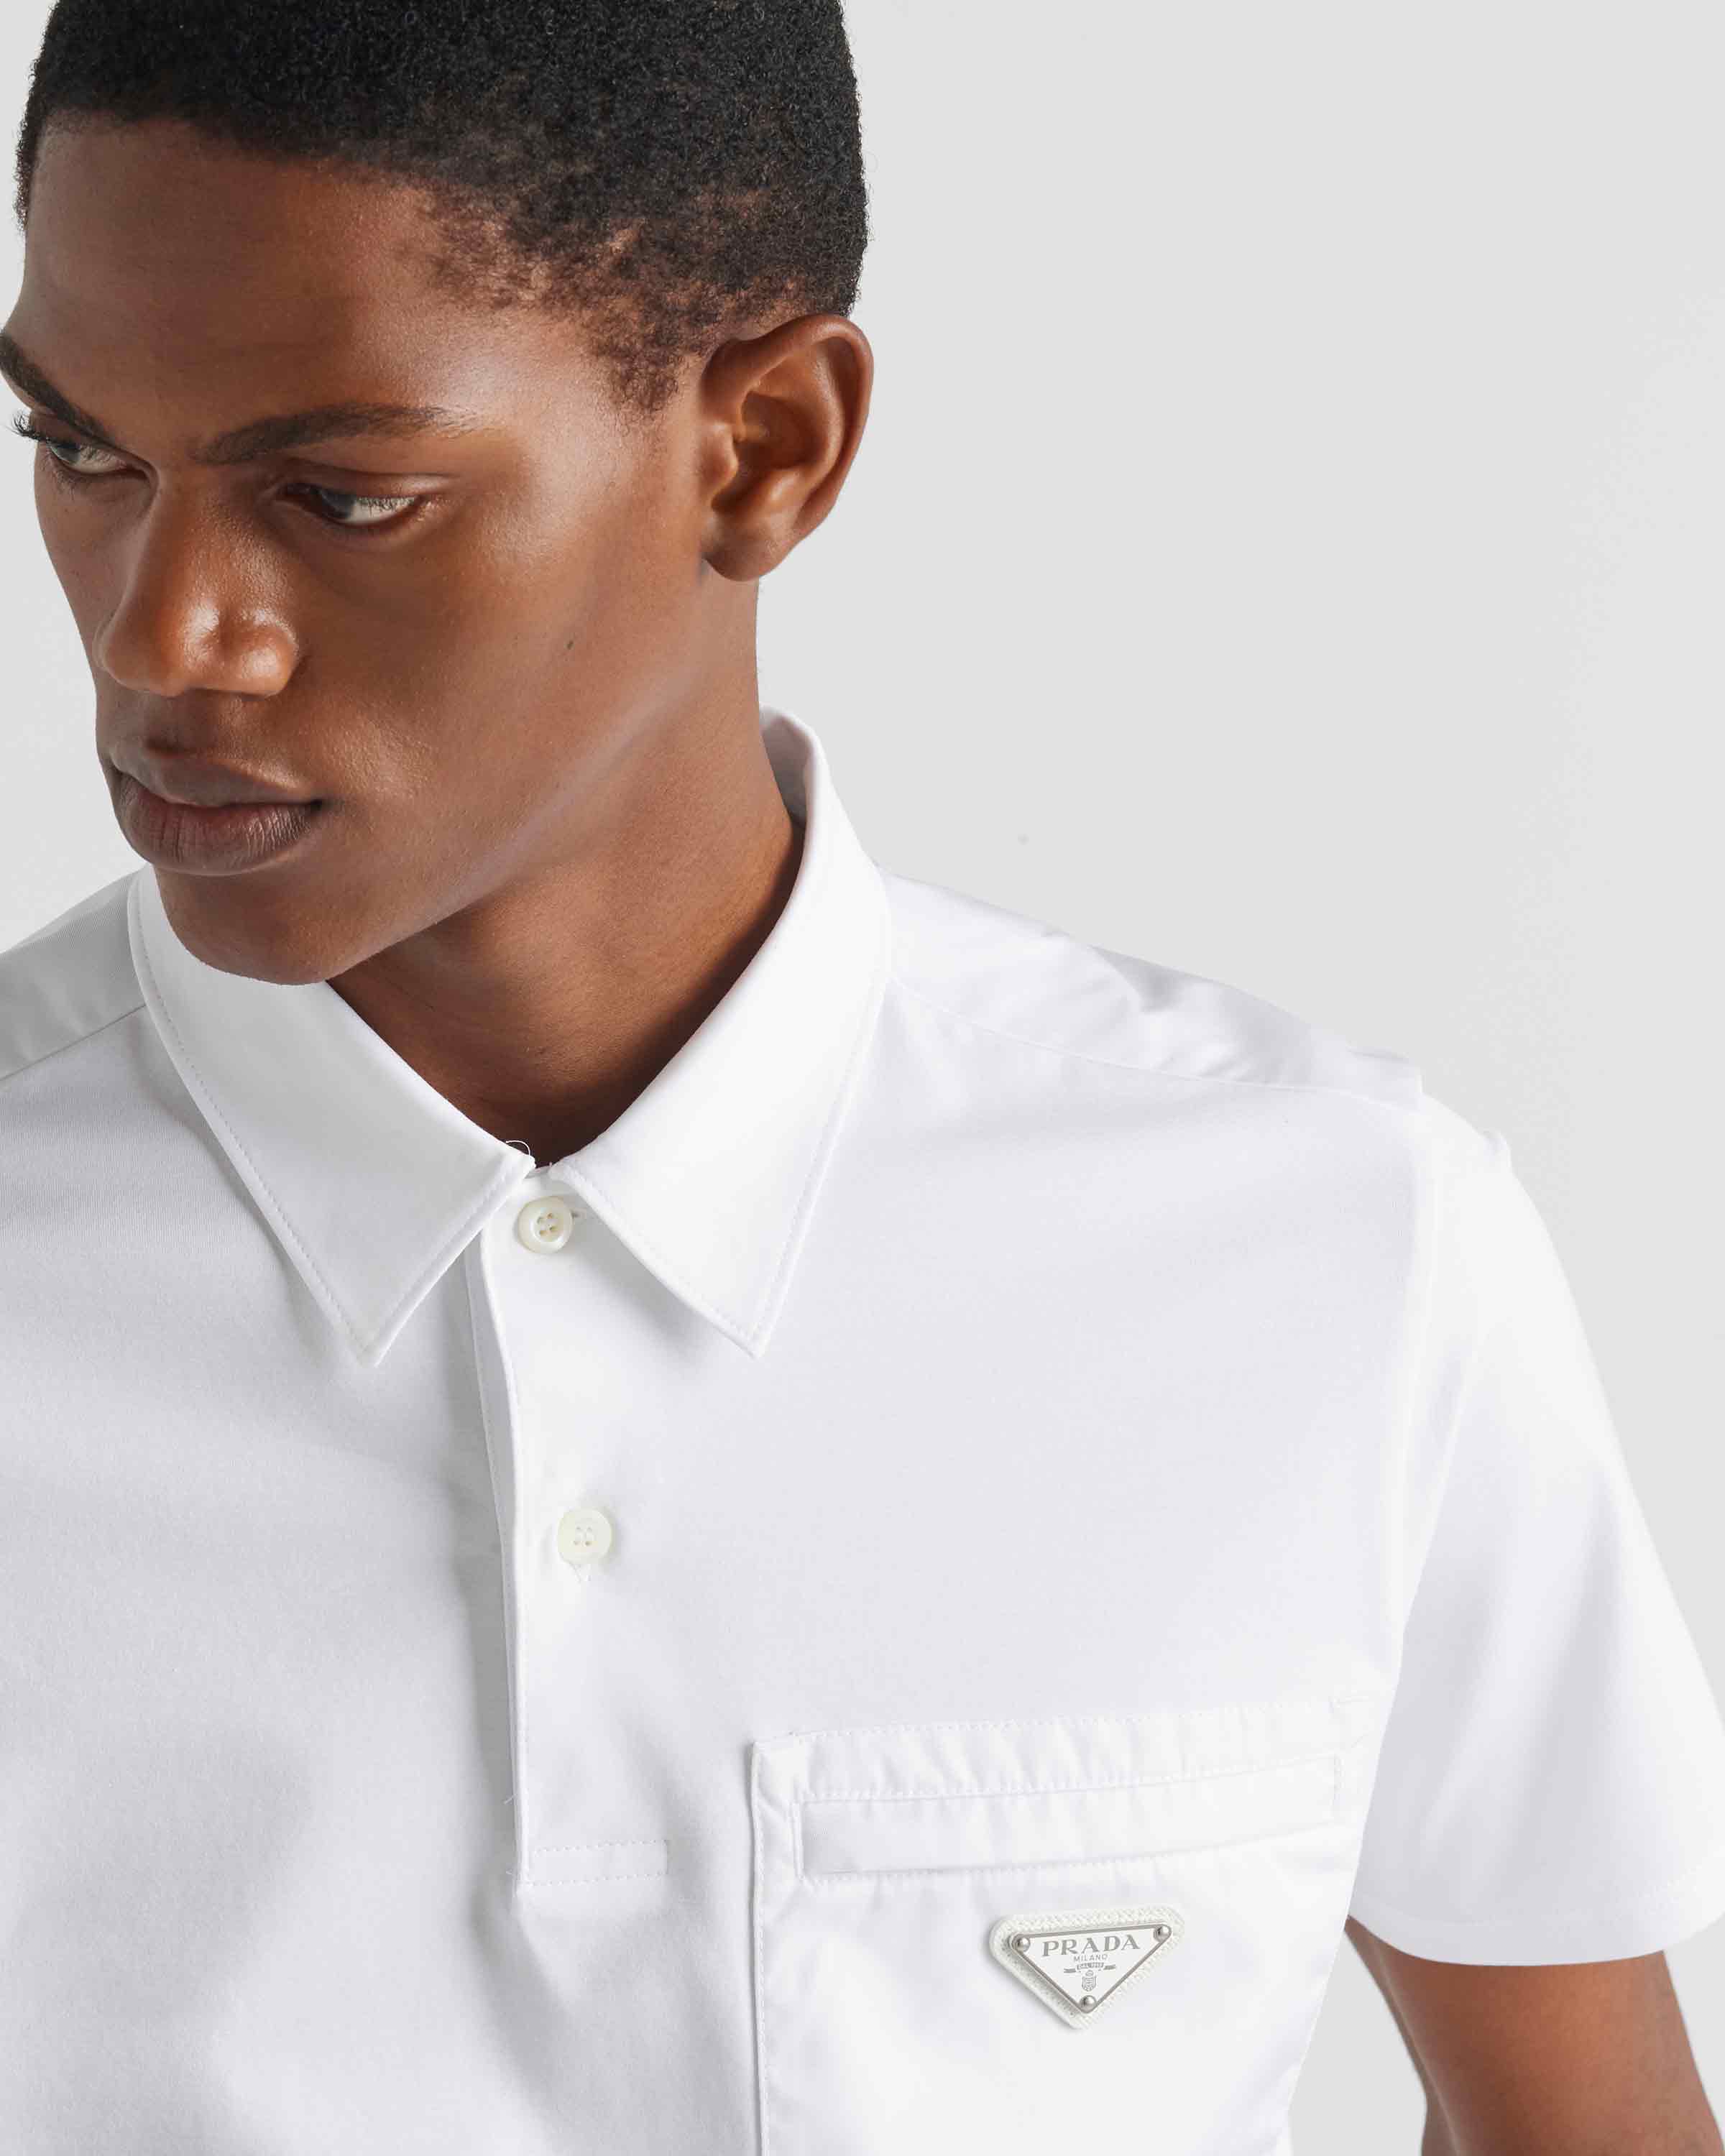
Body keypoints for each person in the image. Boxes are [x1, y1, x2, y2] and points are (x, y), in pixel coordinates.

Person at [1, 4, 1721, 2152]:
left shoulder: (1343, 1243)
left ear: (768, 449)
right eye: (82, 454)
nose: (163, 637)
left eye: (346, 496)